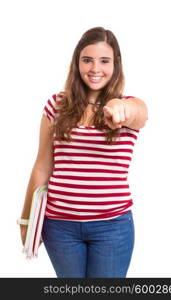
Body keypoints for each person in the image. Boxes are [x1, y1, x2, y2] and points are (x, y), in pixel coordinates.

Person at [19, 26, 148, 278]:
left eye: (104, 61)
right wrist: (26, 221)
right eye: (87, 60)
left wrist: (118, 106)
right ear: (77, 62)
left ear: (116, 64)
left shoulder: (130, 106)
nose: (95, 68)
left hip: (113, 227)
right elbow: (42, 167)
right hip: (59, 227)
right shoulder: (56, 105)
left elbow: (139, 113)